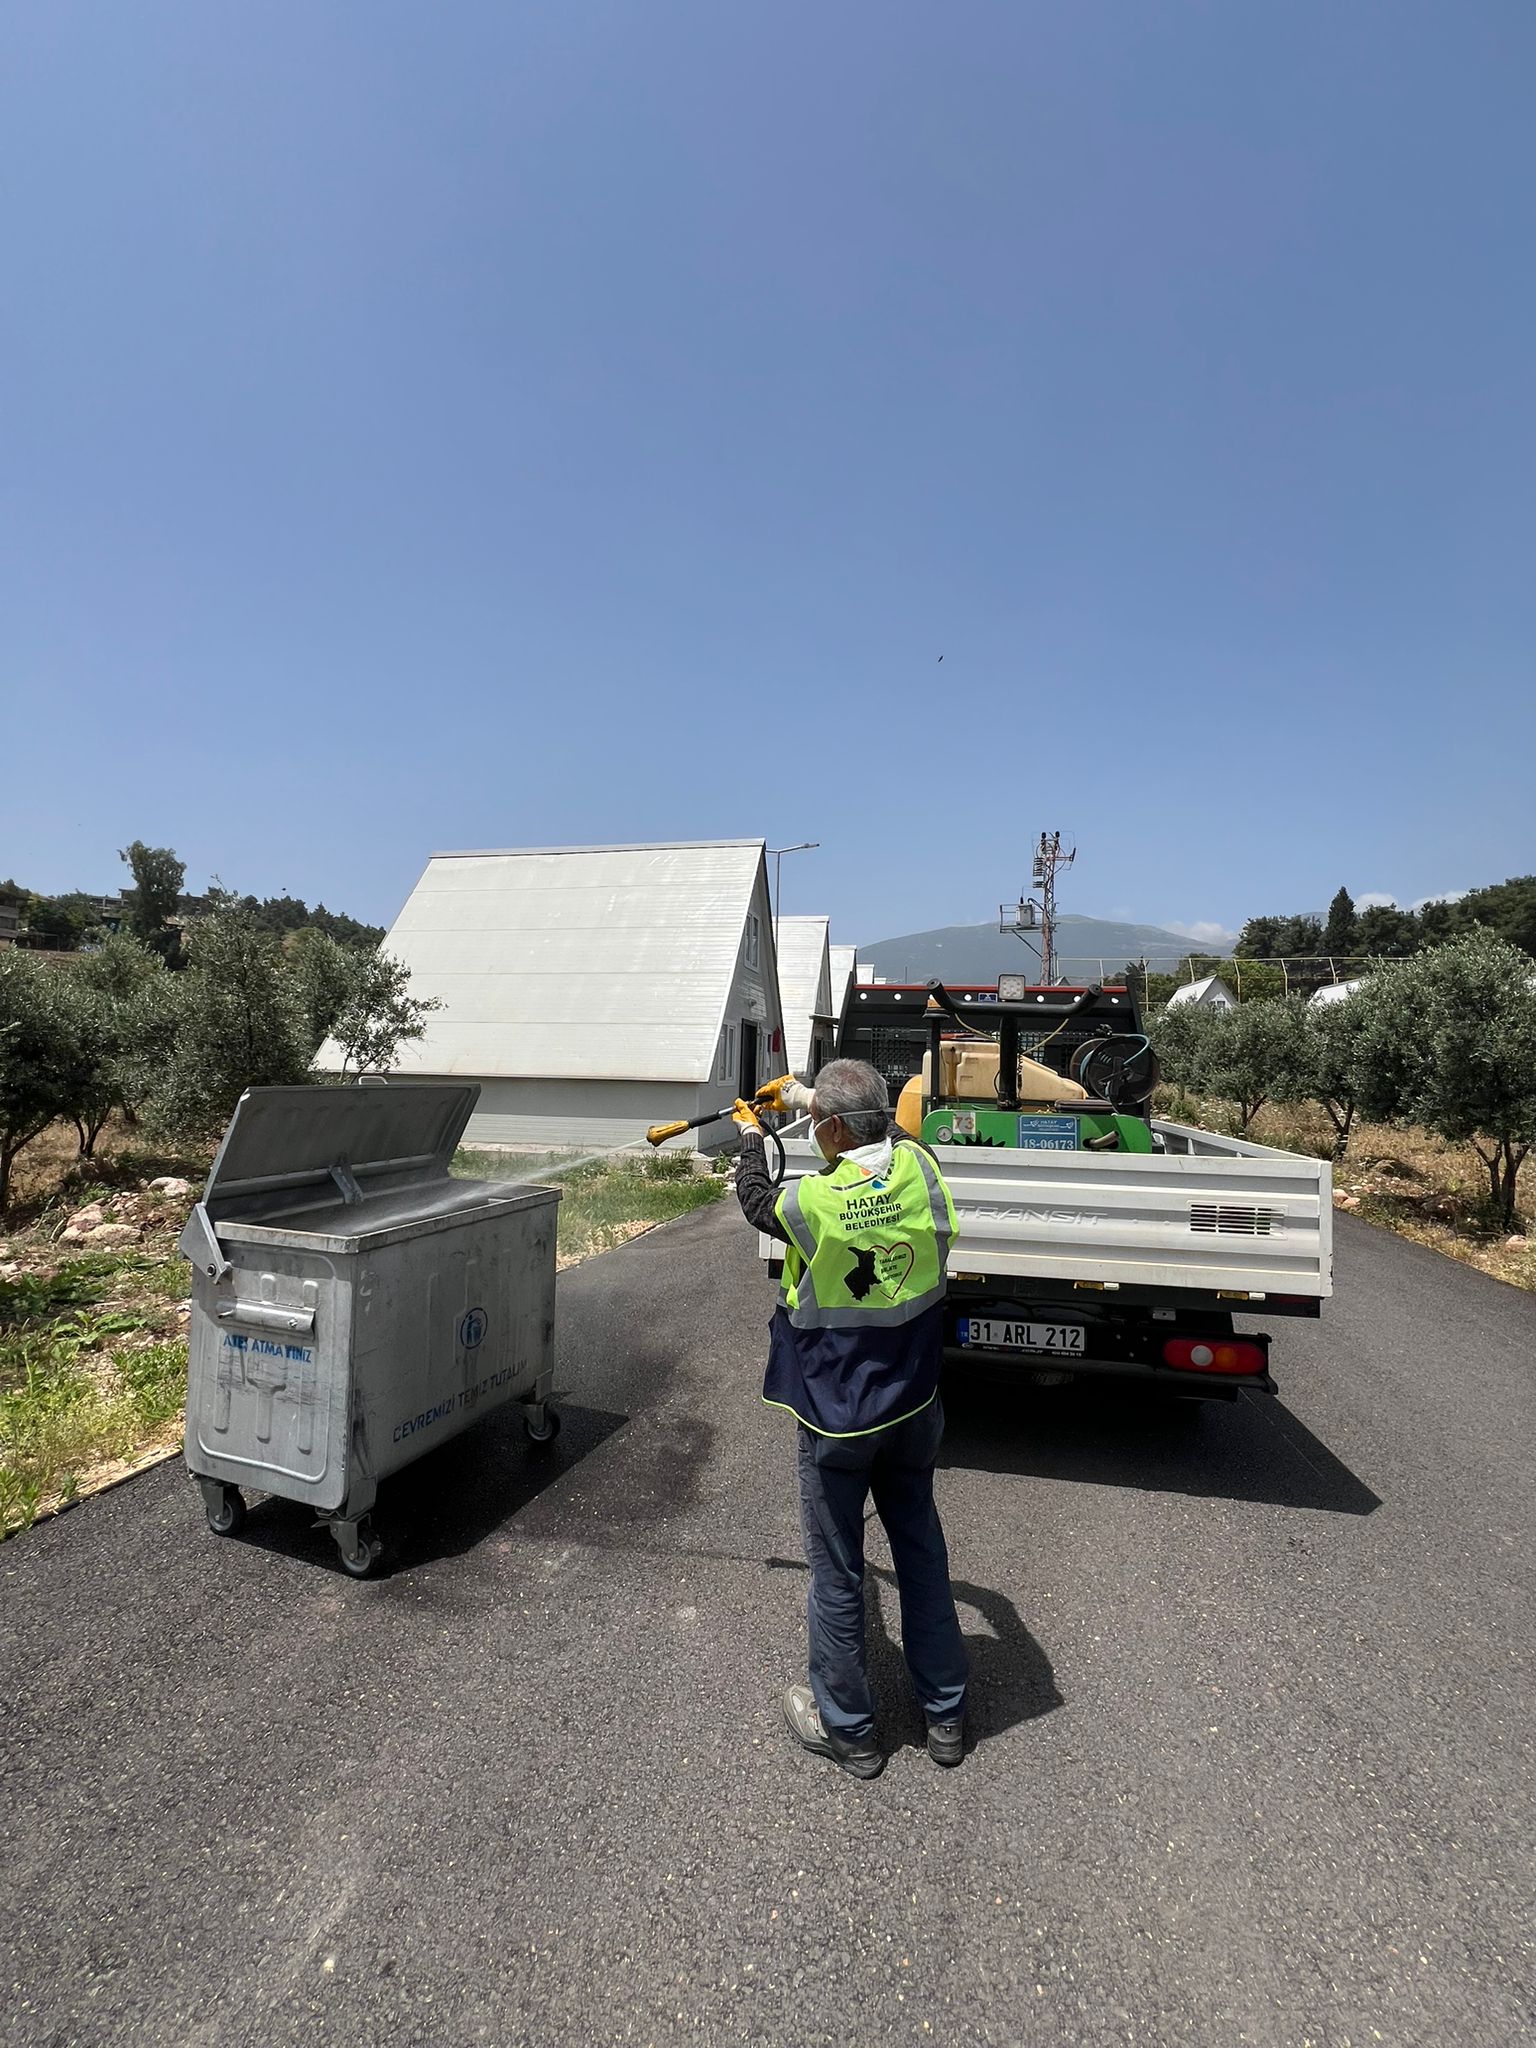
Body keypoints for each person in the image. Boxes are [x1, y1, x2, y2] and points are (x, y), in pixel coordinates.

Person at [734, 1058, 969, 1778]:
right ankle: (946, 1716)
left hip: (838, 1418)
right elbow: (884, 1135)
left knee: (837, 1573)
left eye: (819, 1125)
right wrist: (807, 1098)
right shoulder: (920, 1173)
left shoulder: (813, 1203)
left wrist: (753, 1131)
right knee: (921, 1553)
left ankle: (852, 1732)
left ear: (831, 1131)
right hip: (913, 1401)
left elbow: (754, 1199)